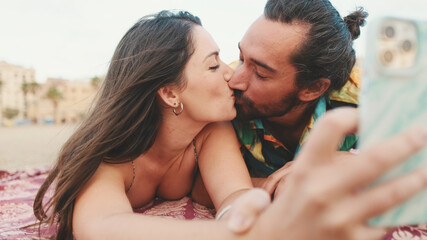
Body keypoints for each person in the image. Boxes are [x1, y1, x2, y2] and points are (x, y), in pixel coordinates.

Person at [32, 8, 427, 240]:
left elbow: (232, 195)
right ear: (170, 93)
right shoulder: (111, 156)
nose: (232, 76)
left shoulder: (212, 127)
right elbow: (101, 227)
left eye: (259, 70)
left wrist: (247, 213)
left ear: (313, 88)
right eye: (218, 61)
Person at [229, 0, 368, 196]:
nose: (234, 80)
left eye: (260, 73)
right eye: (242, 58)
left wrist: (351, 161)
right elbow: (199, 184)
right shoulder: (222, 91)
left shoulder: (364, 100)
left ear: (313, 88)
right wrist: (279, 186)